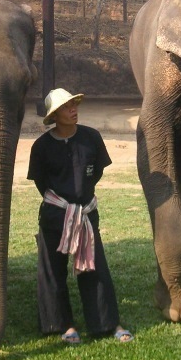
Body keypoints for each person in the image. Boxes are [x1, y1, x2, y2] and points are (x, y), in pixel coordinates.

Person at [27, 88, 133, 344]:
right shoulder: (41, 147)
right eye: (66, 107)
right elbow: (41, 183)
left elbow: (96, 172)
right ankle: (63, 324)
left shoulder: (91, 138)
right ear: (54, 115)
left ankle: (108, 323)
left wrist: (79, 202)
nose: (73, 110)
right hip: (55, 215)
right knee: (52, 270)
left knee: (94, 267)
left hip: (85, 214)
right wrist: (64, 205)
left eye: (74, 105)